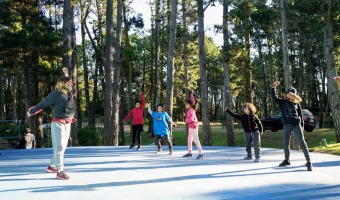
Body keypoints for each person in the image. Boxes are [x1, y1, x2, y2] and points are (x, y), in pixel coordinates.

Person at [27, 76, 76, 180]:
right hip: (58, 124)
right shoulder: (55, 94)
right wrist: (31, 111)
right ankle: (60, 171)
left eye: (71, 83)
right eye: (69, 83)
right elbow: (43, 104)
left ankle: (51, 166)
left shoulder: (67, 95)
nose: (71, 85)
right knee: (60, 147)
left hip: (68, 123)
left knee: (62, 147)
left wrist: (66, 73)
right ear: (63, 84)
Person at [271, 81, 312, 171]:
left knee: (302, 142)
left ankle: (308, 161)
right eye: (288, 94)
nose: (289, 95)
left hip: (296, 124)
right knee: (286, 143)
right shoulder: (282, 102)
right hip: (286, 125)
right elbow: (273, 97)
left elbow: (300, 115)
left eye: (292, 94)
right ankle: (287, 160)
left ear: (294, 96)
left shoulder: (296, 104)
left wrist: (302, 125)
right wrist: (274, 86)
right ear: (286, 94)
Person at [182, 90, 204, 159]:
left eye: (186, 104)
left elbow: (191, 119)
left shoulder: (191, 110)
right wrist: (191, 94)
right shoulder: (191, 109)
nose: (186, 105)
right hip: (191, 127)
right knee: (189, 139)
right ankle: (190, 152)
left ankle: (201, 154)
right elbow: (192, 101)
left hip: (194, 126)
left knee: (195, 140)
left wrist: (186, 120)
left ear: (190, 105)